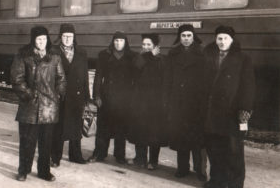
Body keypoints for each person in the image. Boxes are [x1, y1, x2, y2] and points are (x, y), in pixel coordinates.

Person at [11, 26, 66, 182]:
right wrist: (29, 94)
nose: (42, 42)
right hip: (30, 106)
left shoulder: (55, 57)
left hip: (49, 107)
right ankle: (23, 170)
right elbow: (17, 80)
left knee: (46, 143)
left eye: (44, 39)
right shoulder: (23, 56)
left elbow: (61, 78)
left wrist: (58, 94)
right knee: (27, 142)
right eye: (38, 39)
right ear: (33, 40)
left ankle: (44, 171)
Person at [203, 26, 255, 188]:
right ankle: (217, 181)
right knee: (214, 149)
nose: (222, 42)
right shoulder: (209, 56)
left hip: (232, 113)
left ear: (232, 40)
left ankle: (235, 184)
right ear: (215, 40)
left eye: (225, 38)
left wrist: (245, 109)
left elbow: (248, 86)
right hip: (211, 112)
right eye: (219, 38)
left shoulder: (243, 59)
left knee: (234, 151)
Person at [164, 24, 207, 181]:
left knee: (198, 140)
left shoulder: (202, 54)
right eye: (183, 36)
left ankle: (200, 170)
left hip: (196, 103)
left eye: (189, 35)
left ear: (193, 37)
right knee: (181, 137)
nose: (186, 39)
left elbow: (206, 80)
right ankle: (182, 168)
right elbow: (168, 79)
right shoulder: (173, 54)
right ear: (179, 37)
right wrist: (168, 100)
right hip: (178, 102)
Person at [88, 31, 136, 164]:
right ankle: (99, 153)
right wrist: (96, 95)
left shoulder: (131, 56)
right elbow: (98, 77)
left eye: (121, 41)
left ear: (125, 42)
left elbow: (139, 72)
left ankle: (120, 156)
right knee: (103, 128)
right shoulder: (104, 55)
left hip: (123, 98)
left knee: (121, 128)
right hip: (106, 96)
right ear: (112, 42)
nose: (118, 43)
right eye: (116, 41)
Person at [50, 23, 90, 167]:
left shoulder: (81, 52)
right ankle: (55, 157)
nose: (67, 39)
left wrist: (87, 96)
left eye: (70, 36)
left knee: (76, 126)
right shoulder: (53, 51)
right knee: (58, 128)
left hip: (77, 96)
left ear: (74, 37)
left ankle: (76, 155)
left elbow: (85, 75)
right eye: (65, 36)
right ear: (60, 37)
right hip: (60, 95)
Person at [127, 33, 168, 170]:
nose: (145, 47)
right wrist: (149, 55)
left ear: (156, 46)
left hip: (155, 102)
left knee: (154, 132)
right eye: (143, 44)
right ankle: (140, 158)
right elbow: (135, 70)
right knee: (140, 130)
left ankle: (153, 161)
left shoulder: (162, 60)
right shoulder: (139, 58)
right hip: (140, 101)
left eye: (148, 45)